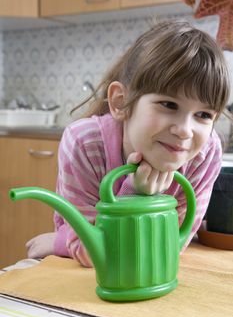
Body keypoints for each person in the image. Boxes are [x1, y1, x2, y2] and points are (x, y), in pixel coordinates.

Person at [26, 20, 230, 267]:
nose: (185, 131)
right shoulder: (84, 144)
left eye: (204, 115)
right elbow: (97, 251)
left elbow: (172, 246)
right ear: (121, 102)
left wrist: (61, 242)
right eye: (168, 105)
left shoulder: (205, 153)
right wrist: (134, 195)